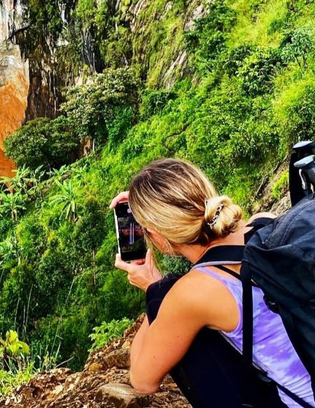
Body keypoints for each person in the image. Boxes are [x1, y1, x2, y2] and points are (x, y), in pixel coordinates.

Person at [111, 158, 314, 408]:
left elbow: (142, 380)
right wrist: (160, 200)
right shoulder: (265, 222)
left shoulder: (194, 292)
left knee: (162, 295)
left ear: (157, 235)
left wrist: (152, 288)